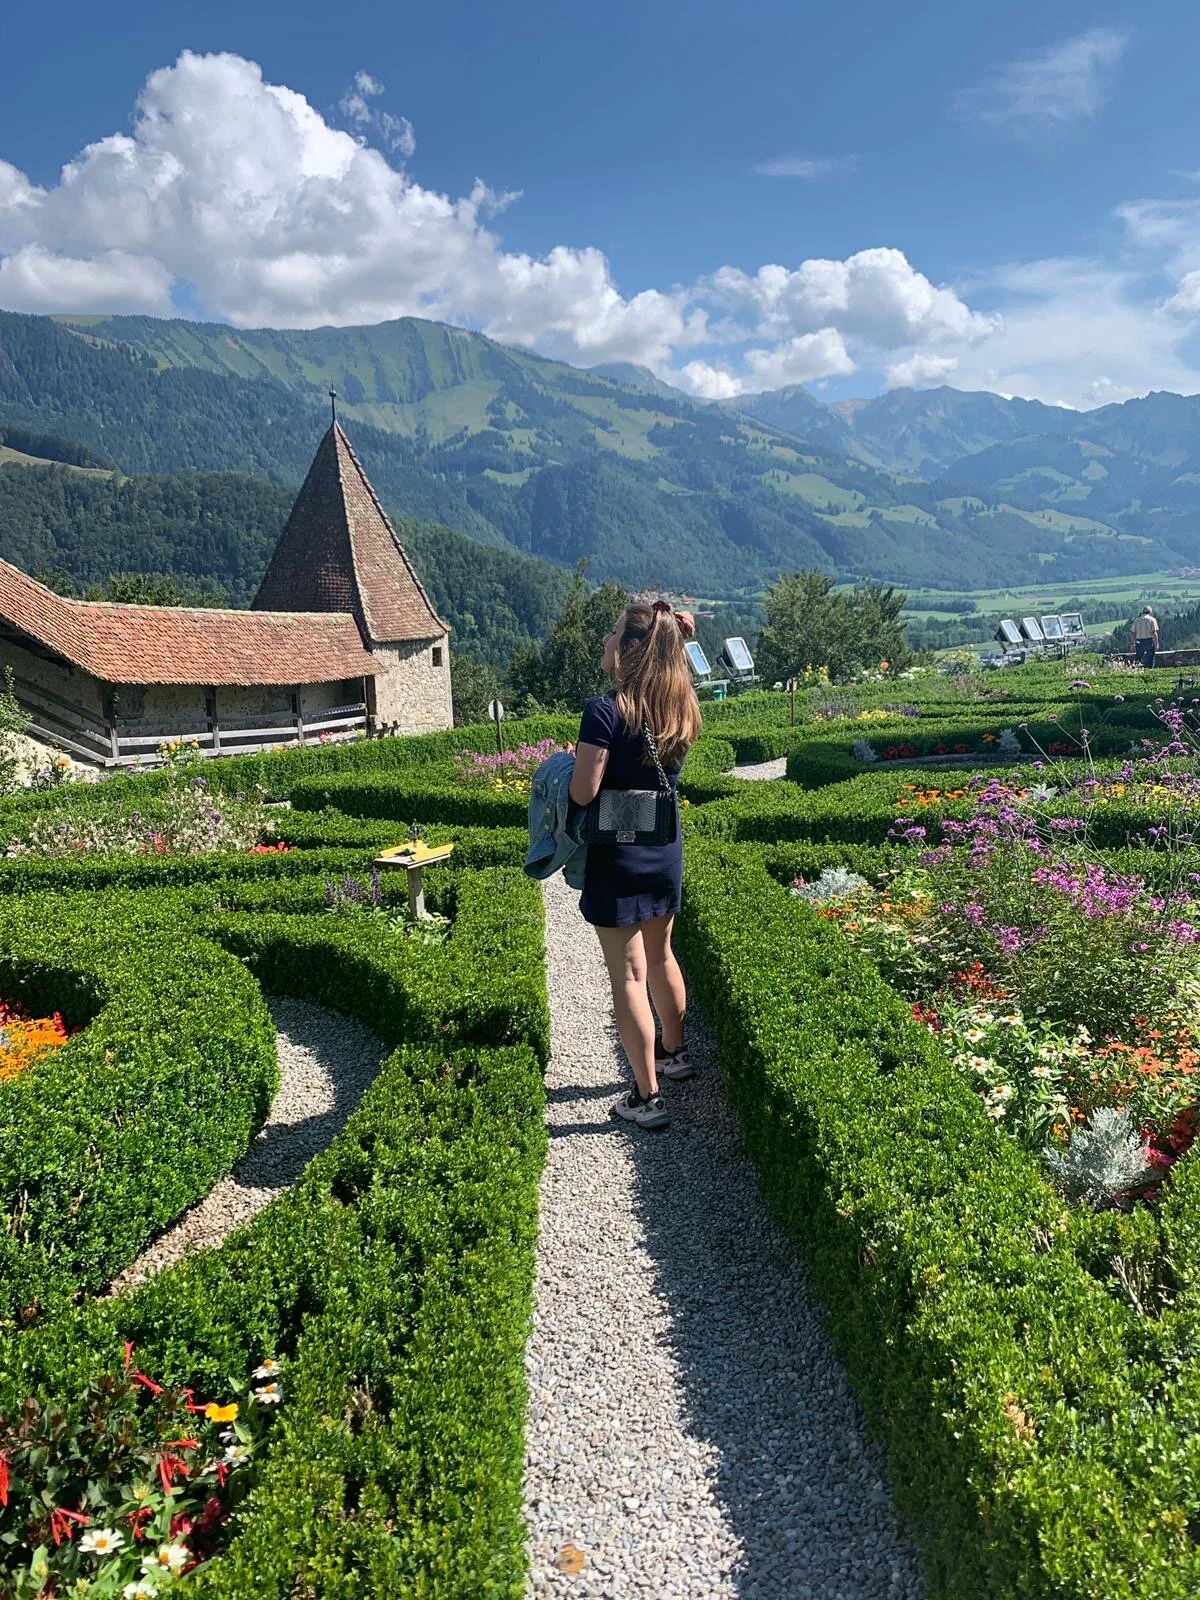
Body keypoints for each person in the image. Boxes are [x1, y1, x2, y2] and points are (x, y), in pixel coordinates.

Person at [569, 600, 702, 1130]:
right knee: (663, 954)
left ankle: (646, 1098)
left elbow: (584, 792)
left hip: (618, 854)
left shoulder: (604, 710)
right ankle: (674, 1054)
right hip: (664, 848)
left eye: (613, 632)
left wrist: (569, 766)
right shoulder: (680, 707)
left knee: (628, 975)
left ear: (628, 650)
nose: (605, 640)